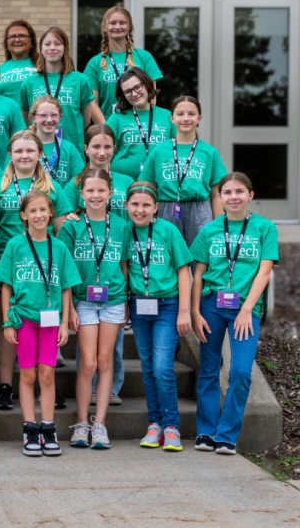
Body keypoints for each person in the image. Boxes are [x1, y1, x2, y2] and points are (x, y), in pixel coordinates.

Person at [191, 172, 278, 455]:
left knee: (240, 372)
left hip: (245, 308)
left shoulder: (265, 228)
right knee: (208, 369)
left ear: (250, 196)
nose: (233, 197)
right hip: (212, 306)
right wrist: (194, 311)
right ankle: (206, 431)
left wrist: (247, 309)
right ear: (219, 198)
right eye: (227, 192)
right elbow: (199, 274)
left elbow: (264, 272)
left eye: (240, 191)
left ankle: (227, 434)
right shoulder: (209, 230)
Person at [0, 190, 81, 457]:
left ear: (51, 212)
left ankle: (48, 427)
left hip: (51, 321)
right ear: (23, 215)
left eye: (43, 210)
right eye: (32, 211)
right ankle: (30, 428)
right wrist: (7, 322)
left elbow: (66, 288)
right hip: (25, 320)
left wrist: (65, 321)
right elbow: (6, 286)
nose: (38, 215)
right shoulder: (15, 245)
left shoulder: (60, 247)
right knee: (28, 374)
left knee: (47, 374)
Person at [0, 131, 67, 411]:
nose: (24, 155)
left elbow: (62, 231)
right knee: (11, 324)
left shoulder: (53, 188)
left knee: (44, 325)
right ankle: (6, 385)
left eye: (30, 151)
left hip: (44, 270)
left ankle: (48, 386)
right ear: (9, 154)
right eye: (18, 150)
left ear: (40, 154)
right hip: (10, 266)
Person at [58, 169, 131, 450]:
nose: (96, 195)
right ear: (81, 194)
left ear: (111, 193)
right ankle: (81, 423)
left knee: (105, 361)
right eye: (90, 191)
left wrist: (124, 301)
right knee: (87, 363)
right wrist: (70, 310)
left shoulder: (121, 226)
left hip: (112, 300)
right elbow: (63, 271)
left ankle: (100, 424)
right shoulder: (71, 226)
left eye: (101, 190)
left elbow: (124, 265)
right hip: (84, 301)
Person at [124, 181, 193, 452]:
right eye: (134, 204)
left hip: (167, 306)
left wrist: (184, 310)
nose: (140, 210)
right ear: (126, 206)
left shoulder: (168, 230)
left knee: (163, 367)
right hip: (139, 307)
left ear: (156, 208)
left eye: (145, 205)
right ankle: (154, 424)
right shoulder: (123, 231)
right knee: (148, 366)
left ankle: (172, 426)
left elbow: (184, 271)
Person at [139, 95, 227, 248]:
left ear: (199, 118)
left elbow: (216, 193)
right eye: (180, 114)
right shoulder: (159, 151)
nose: (186, 118)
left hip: (200, 208)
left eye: (191, 114)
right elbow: (146, 188)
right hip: (167, 207)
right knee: (168, 256)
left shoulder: (209, 152)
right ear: (172, 118)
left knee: (202, 258)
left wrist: (219, 225)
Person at [20, 27, 101, 153]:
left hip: (72, 149)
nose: (52, 47)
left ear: (65, 48)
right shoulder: (29, 83)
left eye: (57, 43)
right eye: (47, 44)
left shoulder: (81, 80)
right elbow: (27, 120)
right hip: (38, 151)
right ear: (41, 49)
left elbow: (85, 122)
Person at [84, 4, 163, 118]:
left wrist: (144, 123)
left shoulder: (144, 57)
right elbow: (92, 104)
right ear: (105, 27)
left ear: (129, 26)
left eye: (122, 22)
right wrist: (107, 130)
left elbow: (152, 96)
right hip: (109, 127)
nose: (117, 26)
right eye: (112, 23)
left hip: (138, 127)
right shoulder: (94, 63)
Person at [106, 67, 176, 180]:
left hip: (161, 182)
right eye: (128, 91)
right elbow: (102, 151)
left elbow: (180, 150)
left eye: (137, 87)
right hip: (123, 184)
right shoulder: (117, 118)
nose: (134, 94)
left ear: (147, 84)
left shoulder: (168, 116)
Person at [61, 125, 134, 222]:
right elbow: (67, 223)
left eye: (107, 147)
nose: (102, 153)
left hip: (121, 236)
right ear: (86, 148)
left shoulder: (127, 181)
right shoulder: (73, 185)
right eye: (96, 147)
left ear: (114, 149)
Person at [15, 96, 85, 187]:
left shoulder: (69, 149)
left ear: (60, 117)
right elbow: (9, 178)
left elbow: (79, 182)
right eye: (43, 115)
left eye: (54, 115)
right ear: (33, 118)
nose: (49, 120)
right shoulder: (20, 146)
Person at [0, 19, 40, 105]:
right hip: (6, 117)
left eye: (22, 36)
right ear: (6, 44)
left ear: (32, 42)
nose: (17, 40)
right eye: (12, 36)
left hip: (35, 117)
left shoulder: (41, 65)